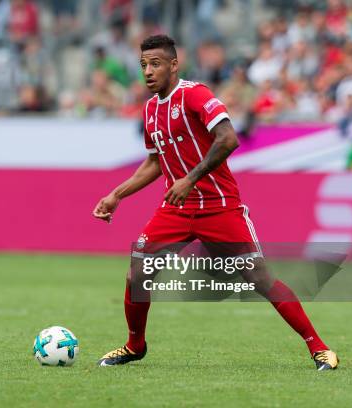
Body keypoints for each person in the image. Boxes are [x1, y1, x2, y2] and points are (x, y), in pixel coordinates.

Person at [92, 35, 339, 370]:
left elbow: (229, 139)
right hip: (176, 209)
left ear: (174, 65)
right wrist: (116, 195)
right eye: (143, 65)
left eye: (156, 64)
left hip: (219, 206)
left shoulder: (194, 94)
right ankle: (135, 345)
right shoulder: (150, 110)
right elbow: (155, 162)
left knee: (260, 279)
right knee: (138, 272)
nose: (148, 71)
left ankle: (319, 347)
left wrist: (190, 178)